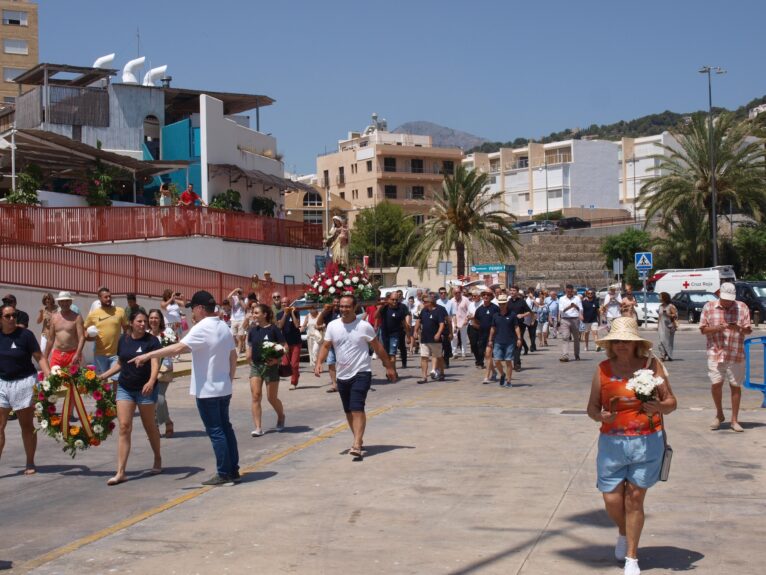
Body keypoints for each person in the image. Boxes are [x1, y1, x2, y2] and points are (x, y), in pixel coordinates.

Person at [587, 317, 677, 575]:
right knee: (612, 499)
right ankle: (625, 531)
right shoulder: (602, 369)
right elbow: (592, 407)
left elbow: (671, 402)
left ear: (636, 343)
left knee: (635, 500)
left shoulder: (652, 366)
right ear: (610, 345)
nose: (621, 345)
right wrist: (599, 416)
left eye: (626, 341)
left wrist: (659, 406)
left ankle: (632, 557)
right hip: (612, 443)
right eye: (616, 341)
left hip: (647, 442)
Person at [131, 290, 239, 486]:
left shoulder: (203, 327)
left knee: (216, 431)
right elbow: (233, 357)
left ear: (199, 308)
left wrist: (148, 355)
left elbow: (178, 348)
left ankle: (224, 473)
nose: (192, 314)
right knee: (226, 428)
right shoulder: (223, 326)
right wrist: (228, 380)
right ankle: (233, 470)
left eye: (193, 310)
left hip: (208, 391)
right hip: (223, 388)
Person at [314, 294, 396, 458]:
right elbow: (326, 345)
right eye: (341, 306)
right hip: (342, 375)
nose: (344, 309)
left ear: (354, 307)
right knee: (349, 410)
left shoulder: (364, 326)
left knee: (357, 408)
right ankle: (357, 438)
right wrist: (318, 362)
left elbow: (378, 347)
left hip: (361, 372)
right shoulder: (332, 326)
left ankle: (357, 444)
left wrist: (389, 366)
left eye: (347, 306)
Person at [98, 310, 162, 486]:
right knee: (124, 427)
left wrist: (151, 380)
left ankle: (157, 457)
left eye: (145, 322)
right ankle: (121, 472)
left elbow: (155, 363)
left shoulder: (152, 341)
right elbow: (120, 362)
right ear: (132, 323)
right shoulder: (123, 340)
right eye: (140, 321)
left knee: (150, 426)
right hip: (125, 388)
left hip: (145, 390)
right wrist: (103, 376)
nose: (143, 324)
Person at [0, 304, 51, 475]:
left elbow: (40, 357)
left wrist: (50, 376)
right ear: (1, 319)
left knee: (27, 426)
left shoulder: (25, 335)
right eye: (8, 316)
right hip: (2, 384)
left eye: (14, 315)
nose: (12, 319)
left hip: (24, 383)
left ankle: (30, 461)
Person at [699, 282, 752, 433]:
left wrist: (739, 328)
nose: (727, 302)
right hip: (715, 352)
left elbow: (748, 331)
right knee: (716, 384)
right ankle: (719, 414)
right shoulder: (709, 307)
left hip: (736, 353)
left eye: (730, 299)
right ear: (719, 295)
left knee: (735, 386)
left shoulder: (742, 307)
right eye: (724, 299)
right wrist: (718, 327)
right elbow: (703, 330)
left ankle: (734, 420)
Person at [247, 304, 286, 436]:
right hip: (256, 366)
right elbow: (250, 346)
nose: (254, 315)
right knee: (256, 396)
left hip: (271, 367)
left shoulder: (274, 329)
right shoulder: (252, 330)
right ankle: (258, 428)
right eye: (253, 313)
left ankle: (281, 416)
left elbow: (284, 347)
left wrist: (277, 360)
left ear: (265, 314)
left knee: (271, 398)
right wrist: (249, 358)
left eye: (257, 313)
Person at [84, 287, 128, 377]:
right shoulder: (94, 314)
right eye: (106, 297)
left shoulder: (120, 311)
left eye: (110, 296)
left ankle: (114, 392)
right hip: (100, 354)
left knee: (116, 380)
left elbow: (127, 330)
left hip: (116, 354)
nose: (109, 299)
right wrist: (89, 337)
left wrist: (126, 346)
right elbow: (84, 330)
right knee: (101, 380)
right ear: (100, 298)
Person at [148, 309, 174, 438]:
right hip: (148, 372)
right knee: (154, 400)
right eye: (151, 318)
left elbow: (173, 349)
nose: (153, 320)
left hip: (163, 370)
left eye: (156, 318)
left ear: (161, 320)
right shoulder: (145, 334)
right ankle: (166, 422)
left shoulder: (167, 333)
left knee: (160, 398)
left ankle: (158, 423)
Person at [486, 294, 522, 388]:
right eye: (500, 304)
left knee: (508, 361)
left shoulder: (512, 315)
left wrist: (519, 338)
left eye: (503, 304)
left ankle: (509, 381)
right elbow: (493, 328)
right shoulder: (495, 315)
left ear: (506, 304)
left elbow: (516, 327)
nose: (502, 305)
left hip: (510, 341)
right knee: (497, 360)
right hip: (498, 341)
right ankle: (502, 374)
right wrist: (490, 339)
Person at [45, 292, 85, 369]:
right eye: (62, 301)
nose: (64, 303)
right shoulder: (54, 317)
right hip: (57, 354)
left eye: (67, 301)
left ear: (71, 302)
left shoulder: (77, 317)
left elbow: (82, 338)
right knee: (54, 379)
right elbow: (50, 339)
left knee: (72, 380)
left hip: (72, 354)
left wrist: (77, 354)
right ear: (59, 302)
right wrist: (45, 357)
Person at [414, 294, 447, 384]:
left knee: (438, 357)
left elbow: (441, 324)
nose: (423, 303)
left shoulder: (439, 311)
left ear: (431, 302)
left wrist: (438, 333)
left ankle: (442, 373)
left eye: (425, 302)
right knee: (424, 357)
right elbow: (418, 321)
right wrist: (415, 331)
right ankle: (424, 377)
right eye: (423, 301)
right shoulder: (424, 311)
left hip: (435, 339)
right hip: (424, 338)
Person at [377, 292, 409, 370]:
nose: (394, 301)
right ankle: (389, 369)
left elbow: (404, 323)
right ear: (389, 299)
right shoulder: (385, 307)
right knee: (386, 354)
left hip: (395, 334)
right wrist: (380, 307)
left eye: (396, 300)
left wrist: (408, 335)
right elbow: (376, 316)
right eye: (392, 299)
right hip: (384, 333)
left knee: (392, 353)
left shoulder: (401, 308)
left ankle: (393, 371)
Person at [316, 297, 341, 392]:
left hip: (342, 342)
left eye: (338, 302)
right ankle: (334, 384)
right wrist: (323, 311)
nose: (336, 304)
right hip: (330, 341)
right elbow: (318, 323)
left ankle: (344, 382)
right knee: (331, 362)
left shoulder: (344, 311)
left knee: (343, 363)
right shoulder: (328, 313)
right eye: (335, 302)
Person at [276, 298, 302, 390]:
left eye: (286, 302)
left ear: (289, 304)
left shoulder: (295, 312)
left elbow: (296, 325)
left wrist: (291, 313)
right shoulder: (279, 314)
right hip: (285, 343)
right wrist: (285, 314)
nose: (284, 304)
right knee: (286, 364)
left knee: (294, 364)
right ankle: (296, 373)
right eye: (282, 302)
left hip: (296, 342)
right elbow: (280, 326)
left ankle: (293, 382)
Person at [474, 289, 500, 379]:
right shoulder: (479, 309)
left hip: (493, 336)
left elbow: (499, 321)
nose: (486, 296)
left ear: (491, 297)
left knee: (488, 354)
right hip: (482, 335)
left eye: (488, 295)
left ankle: (486, 376)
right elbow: (475, 321)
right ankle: (494, 372)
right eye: (484, 295)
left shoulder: (495, 308)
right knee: (486, 355)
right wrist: (480, 327)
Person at [507, 286, 531, 371]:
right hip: (510, 325)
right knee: (512, 345)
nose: (512, 292)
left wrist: (522, 315)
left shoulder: (522, 301)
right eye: (511, 291)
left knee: (518, 343)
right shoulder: (508, 302)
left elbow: (529, 312)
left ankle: (517, 364)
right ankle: (516, 361)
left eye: (514, 291)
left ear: (517, 292)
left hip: (520, 325)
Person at [558, 284, 583, 362]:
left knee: (576, 338)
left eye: (571, 291)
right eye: (568, 291)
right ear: (565, 291)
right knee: (565, 337)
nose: (569, 293)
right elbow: (561, 310)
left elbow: (580, 309)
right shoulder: (562, 299)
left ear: (573, 291)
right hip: (565, 319)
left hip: (575, 319)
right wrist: (570, 306)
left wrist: (575, 306)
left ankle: (577, 354)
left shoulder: (577, 298)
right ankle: (565, 356)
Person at [657, 292, 678, 362]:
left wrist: (668, 314)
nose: (659, 298)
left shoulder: (670, 306)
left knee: (668, 342)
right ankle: (662, 355)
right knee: (661, 341)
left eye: (660, 297)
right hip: (661, 325)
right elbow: (659, 316)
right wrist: (658, 325)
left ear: (664, 298)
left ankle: (669, 355)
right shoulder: (660, 306)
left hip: (669, 326)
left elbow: (675, 315)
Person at [450, 287, 471, 359]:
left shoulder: (465, 299)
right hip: (454, 321)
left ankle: (463, 353)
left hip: (463, 321)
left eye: (459, 292)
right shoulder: (451, 301)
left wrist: (467, 319)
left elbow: (469, 310)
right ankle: (454, 353)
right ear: (453, 293)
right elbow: (451, 312)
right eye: (456, 293)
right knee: (454, 337)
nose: (458, 294)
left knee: (463, 338)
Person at [228, 288, 247, 355]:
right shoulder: (234, 297)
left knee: (240, 336)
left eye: (240, 292)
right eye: (238, 292)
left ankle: (238, 351)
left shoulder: (245, 299)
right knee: (233, 336)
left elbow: (245, 307)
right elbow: (228, 297)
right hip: (233, 319)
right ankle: (238, 347)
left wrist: (240, 299)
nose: (239, 293)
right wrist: (235, 290)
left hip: (242, 319)